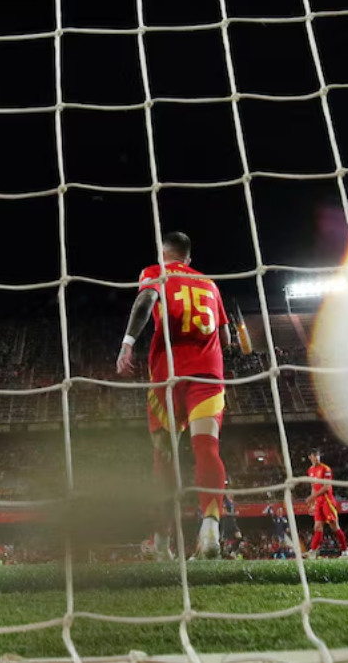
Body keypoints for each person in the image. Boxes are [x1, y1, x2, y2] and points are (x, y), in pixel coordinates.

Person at [116, 231, 231, 561]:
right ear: (189, 258)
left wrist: (127, 342)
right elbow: (224, 335)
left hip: (168, 374)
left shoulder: (156, 272)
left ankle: (162, 541)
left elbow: (145, 301)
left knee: (164, 457)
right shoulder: (210, 284)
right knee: (206, 447)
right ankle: (210, 528)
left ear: (163, 253)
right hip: (208, 373)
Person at [305, 447, 348, 559]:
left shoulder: (326, 469)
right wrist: (313, 502)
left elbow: (326, 487)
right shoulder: (310, 470)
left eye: (318, 455)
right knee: (317, 527)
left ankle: (345, 552)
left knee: (334, 526)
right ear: (310, 457)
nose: (316, 457)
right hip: (319, 502)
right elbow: (313, 487)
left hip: (327, 501)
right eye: (314, 455)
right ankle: (313, 551)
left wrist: (312, 497)